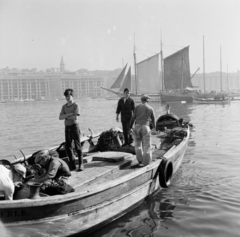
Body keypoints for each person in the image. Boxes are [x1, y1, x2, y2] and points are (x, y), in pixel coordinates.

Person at [59, 88, 84, 171]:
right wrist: (69, 114)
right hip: (67, 128)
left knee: (77, 146)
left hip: (74, 127)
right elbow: (60, 117)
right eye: (66, 96)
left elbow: (75, 117)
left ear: (72, 96)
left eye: (69, 95)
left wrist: (66, 116)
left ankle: (81, 164)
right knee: (68, 147)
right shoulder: (64, 107)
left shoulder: (76, 105)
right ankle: (72, 165)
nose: (67, 97)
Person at [129, 94, 156, 166]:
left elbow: (133, 118)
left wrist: (130, 127)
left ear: (141, 100)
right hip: (145, 127)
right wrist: (154, 128)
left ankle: (140, 160)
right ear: (147, 100)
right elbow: (153, 120)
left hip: (137, 127)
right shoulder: (150, 108)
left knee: (137, 145)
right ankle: (146, 163)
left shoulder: (137, 107)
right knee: (146, 145)